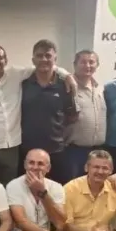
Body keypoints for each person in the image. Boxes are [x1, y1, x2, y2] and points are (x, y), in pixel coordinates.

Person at [0, 43, 72, 186]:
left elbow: (43, 65)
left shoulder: (16, 75)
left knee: (10, 187)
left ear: (6, 60)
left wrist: (67, 75)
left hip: (12, 147)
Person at [19, 40, 77, 184]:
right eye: (39, 56)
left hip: (56, 151)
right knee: (27, 190)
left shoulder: (65, 85)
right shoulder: (23, 84)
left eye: (48, 56)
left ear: (55, 59)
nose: (44, 59)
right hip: (26, 150)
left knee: (56, 190)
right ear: (33, 60)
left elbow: (71, 116)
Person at [65, 50, 106, 179]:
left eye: (91, 62)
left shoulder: (100, 88)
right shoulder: (67, 86)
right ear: (75, 64)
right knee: (73, 186)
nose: (87, 65)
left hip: (98, 151)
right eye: (83, 62)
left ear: (97, 65)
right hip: (74, 152)